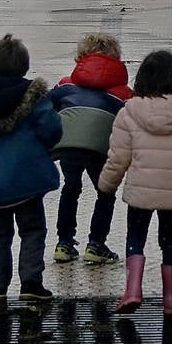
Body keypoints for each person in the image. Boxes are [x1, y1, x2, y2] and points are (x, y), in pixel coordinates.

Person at [98, 50, 172, 316]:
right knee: (169, 241)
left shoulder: (129, 113)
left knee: (136, 238)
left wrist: (107, 184)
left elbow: (118, 158)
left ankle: (132, 291)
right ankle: (171, 299)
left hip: (140, 191)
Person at [0, 34, 63, 301]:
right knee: (32, 229)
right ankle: (30, 283)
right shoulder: (36, 98)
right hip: (28, 179)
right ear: (24, 67)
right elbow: (52, 130)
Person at [49, 33, 133, 265]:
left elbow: (45, 106)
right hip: (100, 150)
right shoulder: (123, 93)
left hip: (69, 146)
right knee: (105, 194)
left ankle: (64, 243)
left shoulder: (66, 84)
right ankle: (96, 245)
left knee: (71, 188)